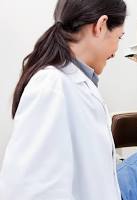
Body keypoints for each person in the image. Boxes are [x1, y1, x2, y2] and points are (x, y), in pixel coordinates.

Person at [0, 0, 126, 199]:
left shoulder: (78, 87)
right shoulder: (51, 85)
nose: (116, 50)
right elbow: (31, 191)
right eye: (119, 37)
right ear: (101, 26)